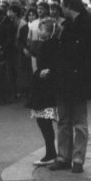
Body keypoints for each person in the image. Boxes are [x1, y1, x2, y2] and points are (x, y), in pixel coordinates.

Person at [48, 0, 91, 174]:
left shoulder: (90, 23)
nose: (61, 9)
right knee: (63, 120)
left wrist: (88, 73)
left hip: (81, 80)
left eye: (63, 5)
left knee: (79, 122)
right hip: (64, 80)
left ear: (69, 6)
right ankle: (63, 157)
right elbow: (59, 52)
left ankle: (78, 159)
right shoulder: (66, 25)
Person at [27, 18, 61, 166]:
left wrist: (43, 72)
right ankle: (51, 152)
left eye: (41, 29)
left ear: (49, 31)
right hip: (45, 85)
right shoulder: (47, 44)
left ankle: (51, 153)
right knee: (44, 122)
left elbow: (49, 65)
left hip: (45, 87)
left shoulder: (49, 45)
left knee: (44, 122)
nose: (38, 31)